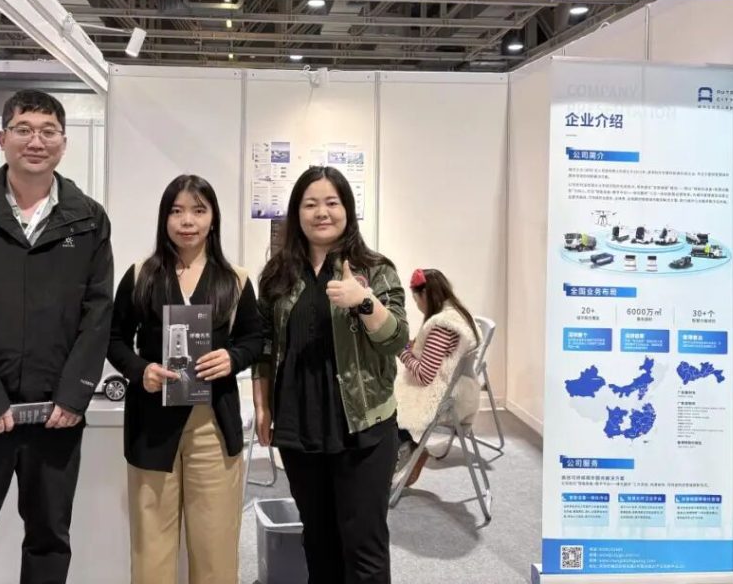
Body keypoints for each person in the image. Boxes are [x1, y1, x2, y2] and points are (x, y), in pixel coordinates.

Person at [0, 89, 114, 584]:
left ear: (64, 143)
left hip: (55, 415)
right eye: (24, 129)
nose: (36, 141)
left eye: (49, 131)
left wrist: (74, 395)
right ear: (2, 138)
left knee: (49, 540)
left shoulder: (87, 218)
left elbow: (98, 313)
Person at [253, 166, 408, 584]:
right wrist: (262, 405)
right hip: (299, 425)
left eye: (331, 203)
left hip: (363, 426)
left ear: (347, 209)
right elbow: (264, 346)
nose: (321, 212)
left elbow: (396, 340)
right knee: (318, 542)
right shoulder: (278, 275)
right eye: (310, 204)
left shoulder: (376, 270)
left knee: (364, 547)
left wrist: (365, 302)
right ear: (297, 213)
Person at [108, 175, 264, 584]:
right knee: (152, 548)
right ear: (164, 219)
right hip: (152, 424)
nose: (187, 221)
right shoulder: (141, 274)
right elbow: (114, 338)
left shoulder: (235, 279)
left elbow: (254, 339)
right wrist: (141, 370)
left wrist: (232, 358)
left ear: (213, 219)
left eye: (198, 210)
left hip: (213, 424)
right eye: (176, 211)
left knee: (215, 547)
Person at [393, 268, 482, 487]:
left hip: (447, 400)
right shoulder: (458, 314)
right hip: (462, 390)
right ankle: (411, 449)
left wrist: (401, 351)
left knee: (391, 409)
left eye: (416, 299)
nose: (417, 304)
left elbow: (424, 375)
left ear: (424, 294)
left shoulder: (442, 326)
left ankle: (409, 451)